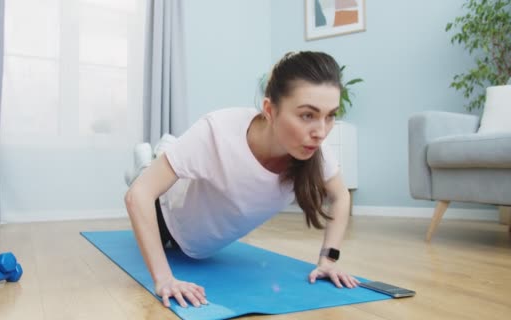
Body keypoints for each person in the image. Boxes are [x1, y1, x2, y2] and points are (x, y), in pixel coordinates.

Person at [124, 51, 359, 309]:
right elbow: (139, 195)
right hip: (167, 214)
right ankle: (148, 161)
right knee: (143, 179)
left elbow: (341, 195)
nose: (321, 131)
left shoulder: (315, 150)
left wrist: (329, 260)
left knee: (169, 160)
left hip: (201, 245)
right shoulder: (217, 131)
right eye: (307, 115)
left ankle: (161, 152)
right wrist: (164, 279)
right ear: (270, 110)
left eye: (330, 116)